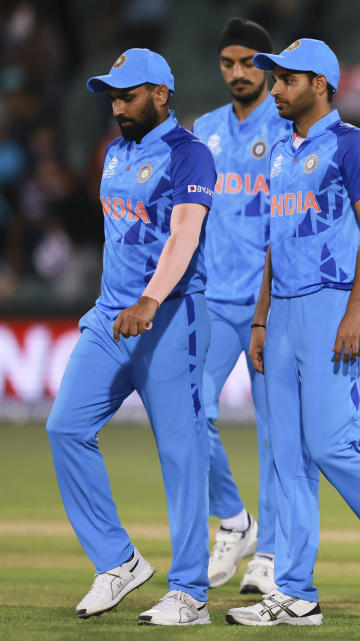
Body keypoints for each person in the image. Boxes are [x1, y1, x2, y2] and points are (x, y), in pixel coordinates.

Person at [223, 38, 360, 626]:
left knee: (331, 446)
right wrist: (262, 316)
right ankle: (296, 592)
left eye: (285, 81)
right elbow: (275, 238)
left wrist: (354, 311)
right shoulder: (279, 153)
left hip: (330, 306)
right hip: (286, 313)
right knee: (288, 458)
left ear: (319, 84)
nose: (274, 89)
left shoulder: (354, 147)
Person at [46, 48, 216, 625]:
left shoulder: (189, 154)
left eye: (127, 95)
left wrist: (150, 298)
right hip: (111, 317)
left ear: (161, 95)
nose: (116, 105)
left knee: (180, 452)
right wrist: (115, 302)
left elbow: (185, 233)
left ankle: (190, 592)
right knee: (65, 425)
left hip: (170, 317)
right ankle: (117, 561)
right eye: (112, 96)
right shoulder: (115, 153)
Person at [192, 16, 287, 595]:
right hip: (211, 297)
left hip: (270, 304)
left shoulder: (288, 126)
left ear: (269, 66)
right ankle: (234, 519)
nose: (237, 73)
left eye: (249, 62)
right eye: (228, 63)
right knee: (185, 411)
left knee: (277, 433)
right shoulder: (203, 128)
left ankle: (271, 554)